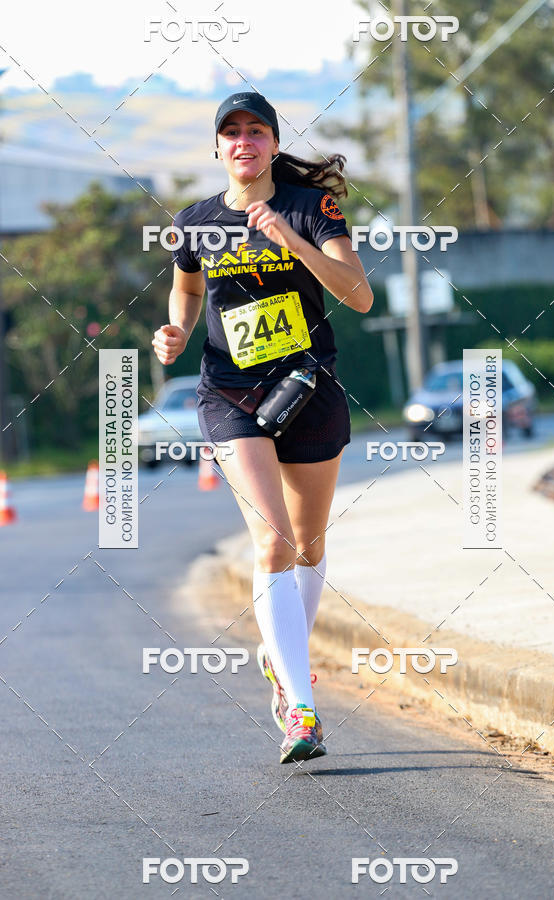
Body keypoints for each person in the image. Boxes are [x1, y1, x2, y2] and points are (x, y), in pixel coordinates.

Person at [152, 92, 373, 763]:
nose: (242, 142)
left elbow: (358, 295)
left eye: (255, 131)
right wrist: (177, 332)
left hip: (308, 386)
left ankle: (284, 664)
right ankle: (301, 710)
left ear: (273, 144)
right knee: (272, 541)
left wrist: (292, 240)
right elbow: (187, 289)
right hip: (230, 394)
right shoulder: (194, 221)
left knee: (308, 544)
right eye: (230, 133)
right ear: (217, 149)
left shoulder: (313, 209)